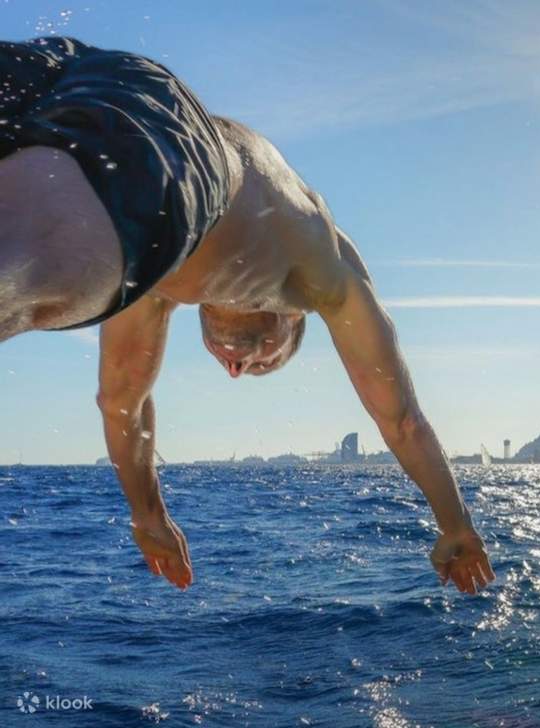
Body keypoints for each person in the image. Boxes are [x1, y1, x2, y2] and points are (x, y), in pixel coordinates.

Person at [2, 37, 494, 594]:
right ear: (291, 322)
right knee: (52, 288)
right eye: (266, 363)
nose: (236, 367)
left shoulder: (167, 279)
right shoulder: (323, 279)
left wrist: (149, 516)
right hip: (177, 138)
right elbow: (403, 420)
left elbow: (123, 403)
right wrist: (455, 524)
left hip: (95, 76)